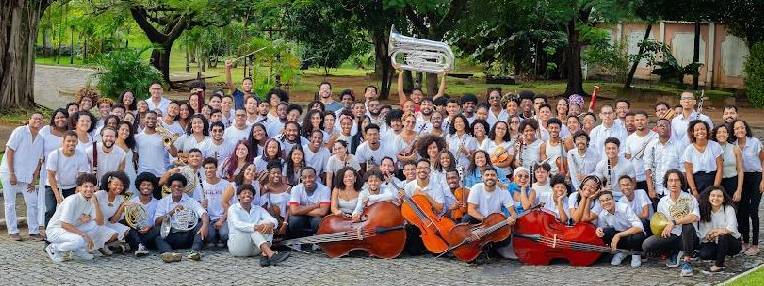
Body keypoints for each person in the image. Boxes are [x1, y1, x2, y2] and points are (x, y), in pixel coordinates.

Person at [44, 174, 118, 262]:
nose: (89, 189)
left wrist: (95, 203)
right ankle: (53, 248)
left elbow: (100, 222)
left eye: (91, 186)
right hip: (56, 230)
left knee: (95, 225)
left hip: (71, 229)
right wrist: (83, 234)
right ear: (79, 188)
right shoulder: (72, 200)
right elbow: (64, 224)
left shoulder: (91, 200)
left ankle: (78, 251)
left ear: (95, 188)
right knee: (78, 240)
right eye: (85, 186)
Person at [642, 169, 700, 277]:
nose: (673, 183)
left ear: (681, 182)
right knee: (647, 245)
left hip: (690, 236)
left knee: (687, 225)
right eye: (671, 180)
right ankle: (675, 251)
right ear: (667, 183)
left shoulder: (690, 198)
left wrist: (674, 222)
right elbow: (660, 220)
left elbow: (695, 217)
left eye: (677, 180)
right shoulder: (662, 202)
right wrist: (662, 230)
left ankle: (687, 262)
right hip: (673, 236)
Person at [2, 113, 44, 241]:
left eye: (40, 119)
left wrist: (34, 178)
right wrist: (12, 173)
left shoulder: (41, 138)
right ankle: (13, 231)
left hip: (27, 177)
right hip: (10, 173)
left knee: (32, 202)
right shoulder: (20, 131)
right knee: (10, 203)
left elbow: (39, 161)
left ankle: (34, 231)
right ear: (29, 120)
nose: (38, 120)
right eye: (35, 118)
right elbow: (9, 151)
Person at [226, 183, 290, 266]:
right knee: (253, 229)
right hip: (239, 247)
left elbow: (273, 220)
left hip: (256, 248)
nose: (247, 195)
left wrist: (270, 224)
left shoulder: (258, 209)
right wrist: (256, 227)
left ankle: (265, 254)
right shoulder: (233, 208)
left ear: (253, 197)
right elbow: (237, 224)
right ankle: (271, 254)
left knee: (267, 223)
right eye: (244, 193)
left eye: (250, 193)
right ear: (238, 196)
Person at [153, 173, 209, 263]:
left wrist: (205, 225)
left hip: (188, 235)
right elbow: (156, 222)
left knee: (201, 225)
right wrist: (172, 211)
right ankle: (170, 254)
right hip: (172, 235)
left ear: (183, 188)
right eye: (174, 186)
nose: (177, 188)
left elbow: (203, 213)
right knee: (158, 236)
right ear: (170, 187)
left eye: (179, 186)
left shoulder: (190, 201)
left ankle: (195, 251)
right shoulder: (163, 202)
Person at [45, 131, 90, 227]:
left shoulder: (81, 155)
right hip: (53, 186)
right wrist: (57, 194)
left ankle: (70, 229)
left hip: (72, 186)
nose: (71, 143)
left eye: (74, 141)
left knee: (73, 208)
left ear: (77, 142)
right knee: (51, 209)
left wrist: (78, 189)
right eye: (68, 141)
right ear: (63, 141)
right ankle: (48, 233)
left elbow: (81, 176)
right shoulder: (54, 155)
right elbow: (51, 176)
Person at [732, 119, 763, 255]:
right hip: (742, 178)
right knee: (743, 211)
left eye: (742, 127)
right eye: (736, 128)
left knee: (753, 210)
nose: (740, 130)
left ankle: (755, 244)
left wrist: (763, 181)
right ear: (733, 131)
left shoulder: (755, 142)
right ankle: (745, 241)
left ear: (746, 128)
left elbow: (763, 160)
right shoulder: (733, 145)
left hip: (756, 177)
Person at [595, 191, 645, 267]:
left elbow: (639, 227)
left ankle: (636, 254)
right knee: (605, 232)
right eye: (602, 201)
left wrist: (618, 235)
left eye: (608, 199)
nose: (606, 202)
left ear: (613, 199)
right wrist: (599, 230)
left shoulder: (624, 207)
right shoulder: (602, 214)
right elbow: (601, 227)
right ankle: (622, 251)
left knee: (638, 236)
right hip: (621, 238)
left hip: (631, 234)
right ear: (600, 203)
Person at [698, 186, 742, 273]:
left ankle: (719, 265)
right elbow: (703, 234)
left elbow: (731, 228)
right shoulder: (704, 211)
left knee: (723, 236)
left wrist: (714, 232)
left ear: (724, 199)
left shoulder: (728, 208)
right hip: (713, 242)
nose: (716, 198)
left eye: (719, 196)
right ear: (708, 197)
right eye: (713, 195)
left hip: (732, 242)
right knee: (704, 254)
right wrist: (711, 235)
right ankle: (722, 253)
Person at [644, 118, 683, 207]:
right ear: (656, 129)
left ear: (670, 127)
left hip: (673, 190)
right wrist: (650, 189)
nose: (662, 127)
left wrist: (679, 189)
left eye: (664, 125)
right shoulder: (651, 145)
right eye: (659, 126)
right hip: (657, 191)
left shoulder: (679, 145)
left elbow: (683, 169)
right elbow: (647, 168)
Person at [93, 171, 132, 255]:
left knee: (125, 231)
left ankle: (105, 245)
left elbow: (114, 220)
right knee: (114, 235)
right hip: (95, 223)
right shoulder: (99, 195)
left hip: (106, 222)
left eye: (121, 185)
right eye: (116, 184)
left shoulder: (120, 198)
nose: (119, 187)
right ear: (108, 185)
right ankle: (99, 245)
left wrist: (122, 207)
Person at [683, 120, 723, 198]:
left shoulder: (715, 146)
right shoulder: (689, 150)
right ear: (692, 133)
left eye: (703, 129)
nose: (700, 131)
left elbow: (720, 169)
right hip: (697, 183)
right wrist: (694, 190)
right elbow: (688, 173)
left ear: (707, 131)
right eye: (697, 130)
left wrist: (715, 188)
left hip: (713, 180)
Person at [124, 172, 161, 257]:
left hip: (150, 232)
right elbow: (129, 220)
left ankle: (139, 245)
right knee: (128, 227)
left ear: (153, 187)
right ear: (139, 186)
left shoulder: (158, 203)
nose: (146, 187)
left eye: (149, 185)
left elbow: (157, 220)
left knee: (159, 228)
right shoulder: (132, 202)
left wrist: (149, 227)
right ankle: (140, 245)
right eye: (143, 184)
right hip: (136, 232)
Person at [287, 167, 330, 238]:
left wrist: (300, 209)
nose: (308, 180)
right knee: (294, 221)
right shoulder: (296, 189)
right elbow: (294, 211)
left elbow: (322, 212)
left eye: (310, 177)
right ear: (301, 178)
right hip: (305, 215)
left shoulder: (325, 189)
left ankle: (316, 241)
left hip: (315, 217)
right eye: (304, 177)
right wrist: (315, 206)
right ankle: (297, 239)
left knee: (318, 222)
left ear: (316, 177)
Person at [201, 158, 231, 248]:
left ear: (216, 169)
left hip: (224, 218)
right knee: (209, 236)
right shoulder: (201, 185)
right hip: (209, 219)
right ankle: (214, 238)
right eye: (206, 168)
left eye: (211, 168)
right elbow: (197, 206)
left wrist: (221, 220)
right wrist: (201, 205)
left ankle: (221, 238)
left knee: (225, 234)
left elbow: (230, 206)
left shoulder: (226, 184)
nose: (208, 170)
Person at [710, 124, 744, 202]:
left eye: (724, 132)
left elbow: (740, 170)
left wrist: (739, 190)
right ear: (715, 135)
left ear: (728, 135)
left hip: (732, 182)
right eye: (719, 132)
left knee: (732, 208)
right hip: (715, 182)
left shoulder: (735, 149)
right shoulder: (711, 148)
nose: (722, 134)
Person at [624, 111, 656, 191]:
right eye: (637, 120)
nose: (640, 122)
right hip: (636, 178)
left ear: (647, 120)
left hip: (653, 178)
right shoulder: (630, 139)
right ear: (634, 122)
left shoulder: (655, 137)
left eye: (642, 119)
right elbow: (627, 158)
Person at [135, 111, 170, 177]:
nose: (150, 120)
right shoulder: (137, 137)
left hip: (160, 174)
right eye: (148, 118)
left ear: (156, 120)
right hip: (142, 174)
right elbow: (135, 157)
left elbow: (173, 153)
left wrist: (168, 138)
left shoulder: (163, 136)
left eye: (153, 118)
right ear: (144, 119)